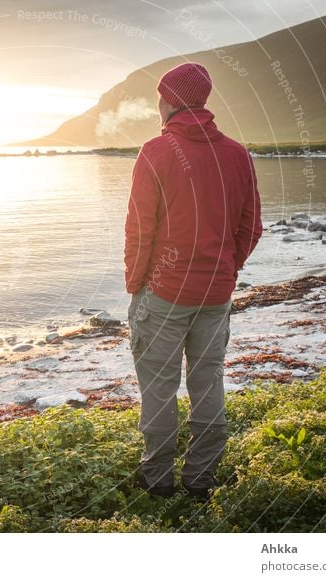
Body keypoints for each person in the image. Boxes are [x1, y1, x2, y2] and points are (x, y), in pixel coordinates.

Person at [124, 62, 263, 500]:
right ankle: (200, 480)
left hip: (164, 294)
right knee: (208, 380)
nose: (158, 105)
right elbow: (251, 226)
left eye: (160, 98)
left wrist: (136, 285)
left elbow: (140, 231)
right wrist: (225, 267)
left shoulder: (155, 152)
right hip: (216, 291)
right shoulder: (237, 154)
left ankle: (158, 480)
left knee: (160, 388)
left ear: (169, 102)